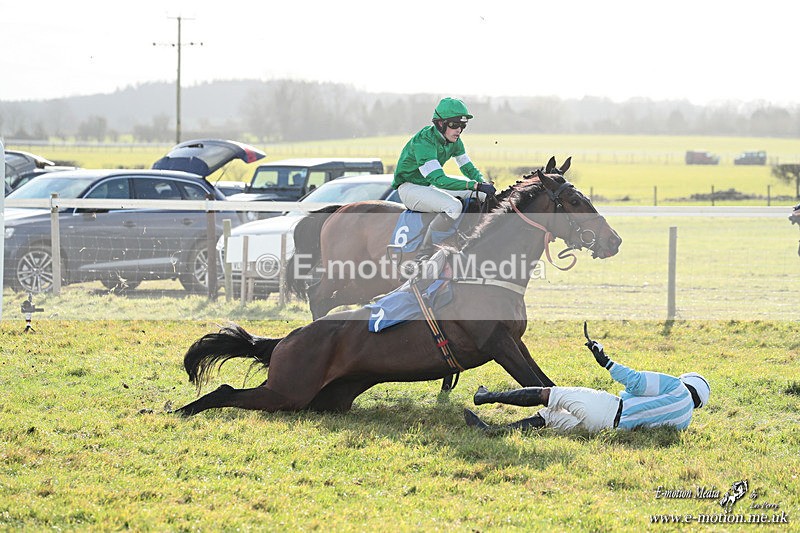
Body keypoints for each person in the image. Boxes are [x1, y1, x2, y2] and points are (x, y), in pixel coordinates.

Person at [464, 326, 710, 433]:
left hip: (609, 407)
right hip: (606, 429)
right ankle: (492, 432)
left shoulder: (677, 387)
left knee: (550, 395)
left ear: (687, 381)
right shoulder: (684, 421)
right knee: (548, 419)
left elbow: (635, 382)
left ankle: (486, 397)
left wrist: (605, 361)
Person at [392, 97, 496, 265]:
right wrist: (474, 185)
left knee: (482, 195)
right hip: (409, 189)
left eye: (462, 126)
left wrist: (483, 184)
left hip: (426, 186)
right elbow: (439, 180)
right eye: (454, 125)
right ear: (440, 124)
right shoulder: (423, 141)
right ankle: (423, 256)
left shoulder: (455, 141)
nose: (459, 130)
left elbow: (467, 168)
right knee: (454, 206)